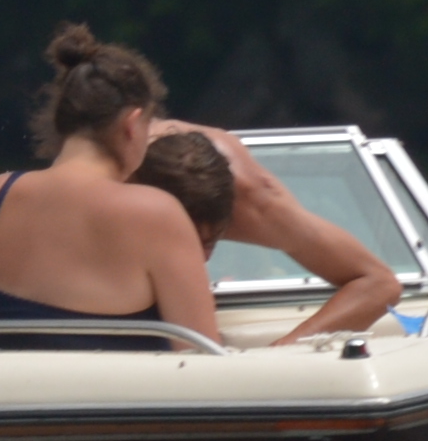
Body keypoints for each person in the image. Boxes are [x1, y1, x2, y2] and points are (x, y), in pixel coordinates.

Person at [0, 25, 218, 353]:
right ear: (132, 124)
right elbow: (201, 355)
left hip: (8, 386)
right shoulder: (158, 214)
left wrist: (2, 348)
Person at [135, 128, 402, 340]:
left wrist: (284, 352)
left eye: (212, 241)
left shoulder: (255, 204)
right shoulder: (117, 190)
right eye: (192, 243)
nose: (203, 258)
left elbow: (379, 283)